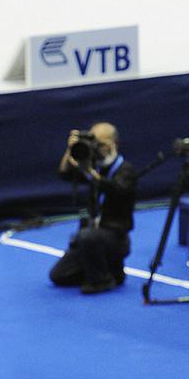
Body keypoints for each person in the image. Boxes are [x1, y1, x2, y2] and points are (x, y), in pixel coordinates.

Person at [49, 123, 137, 294]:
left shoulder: (126, 170)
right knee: (58, 275)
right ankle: (108, 269)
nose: (97, 149)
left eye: (101, 144)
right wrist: (72, 149)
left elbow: (115, 188)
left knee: (87, 236)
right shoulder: (96, 167)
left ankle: (103, 280)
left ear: (113, 144)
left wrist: (90, 172)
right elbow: (64, 173)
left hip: (115, 237)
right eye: (94, 144)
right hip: (91, 236)